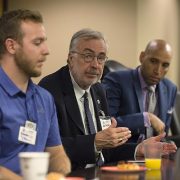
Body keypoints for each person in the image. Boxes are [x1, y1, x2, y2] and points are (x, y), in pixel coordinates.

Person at [39, 29, 177, 170]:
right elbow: (45, 146)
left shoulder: (98, 90)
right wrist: (94, 142)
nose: (95, 65)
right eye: (88, 56)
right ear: (70, 58)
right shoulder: (49, 89)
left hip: (101, 172)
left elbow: (106, 149)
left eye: (101, 58)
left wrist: (139, 149)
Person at [0, 9, 71, 177]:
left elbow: (56, 154)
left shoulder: (44, 98)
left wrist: (59, 171)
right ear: (11, 46)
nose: (46, 50)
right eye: (37, 42)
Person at [102, 39, 177, 143]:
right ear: (142, 57)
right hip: (125, 154)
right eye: (153, 61)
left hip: (154, 154)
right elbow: (106, 124)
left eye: (165, 65)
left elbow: (163, 131)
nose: (158, 71)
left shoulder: (170, 88)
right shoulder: (116, 80)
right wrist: (145, 118)